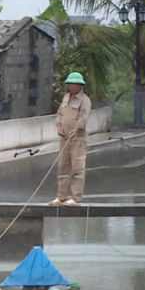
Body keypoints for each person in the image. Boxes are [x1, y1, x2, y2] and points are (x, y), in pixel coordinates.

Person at [49, 72, 92, 206]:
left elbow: (83, 117)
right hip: (65, 137)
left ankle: (75, 198)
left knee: (77, 168)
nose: (71, 86)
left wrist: (77, 128)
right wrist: (59, 126)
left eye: (73, 84)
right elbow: (60, 114)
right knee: (63, 166)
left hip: (77, 138)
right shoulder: (66, 97)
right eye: (69, 84)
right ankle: (60, 196)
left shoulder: (85, 100)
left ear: (79, 85)